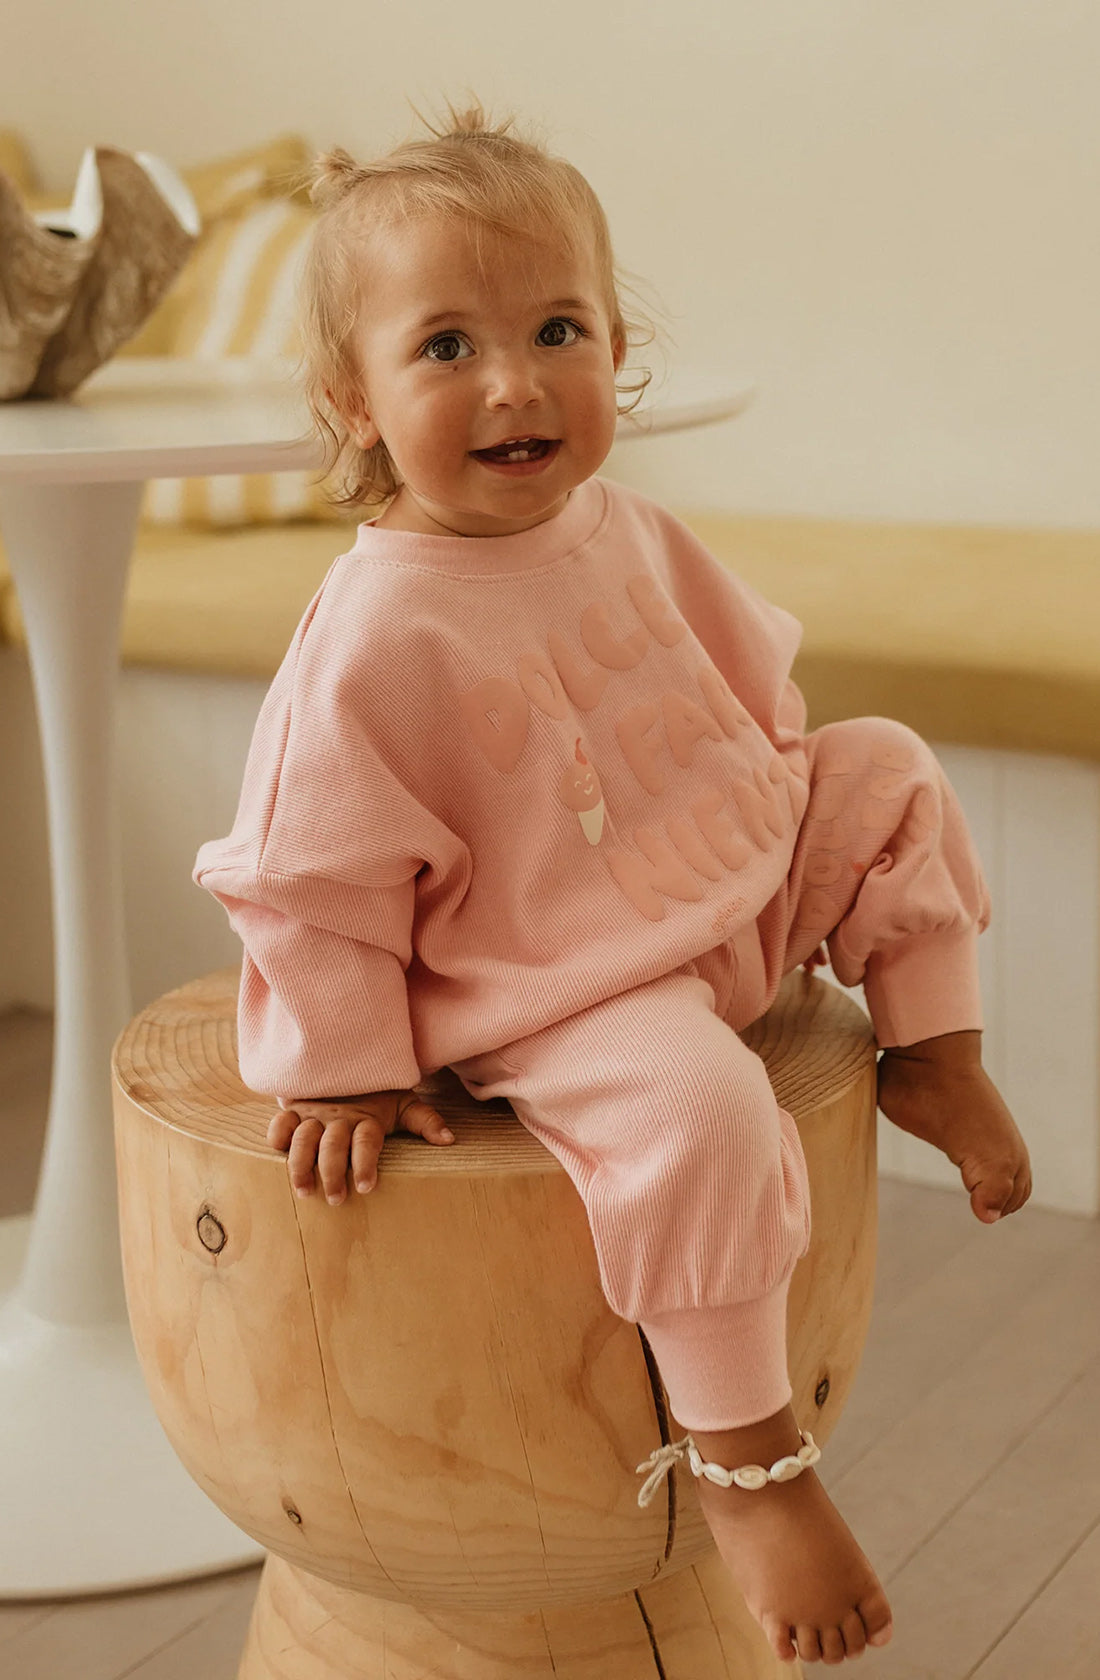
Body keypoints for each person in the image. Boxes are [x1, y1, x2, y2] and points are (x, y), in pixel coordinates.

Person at [193, 97, 1032, 1667]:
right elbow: (313, 879)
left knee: (892, 760)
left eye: (555, 327)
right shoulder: (378, 633)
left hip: (712, 885)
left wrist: (785, 829)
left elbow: (743, 700)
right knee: (701, 1112)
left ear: (614, 345)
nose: (512, 381)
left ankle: (938, 1050)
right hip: (558, 980)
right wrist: (349, 1070)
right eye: (444, 347)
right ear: (352, 398)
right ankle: (749, 1459)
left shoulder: (621, 527)